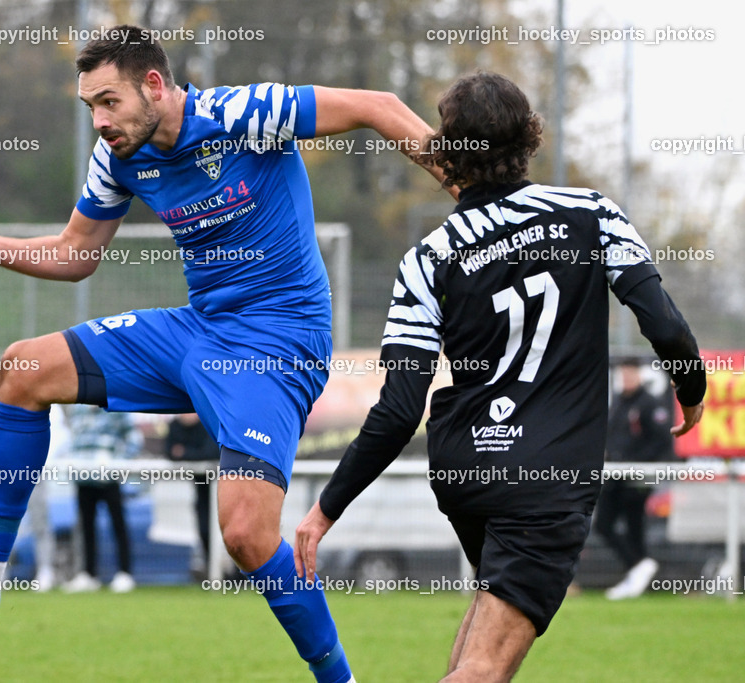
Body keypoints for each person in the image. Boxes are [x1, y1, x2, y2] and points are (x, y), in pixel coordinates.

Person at [0, 24, 449, 682]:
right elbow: (76, 253)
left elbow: (376, 105)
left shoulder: (243, 114)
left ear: (154, 84)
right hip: (199, 330)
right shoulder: (119, 156)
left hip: (278, 337)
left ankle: (339, 679)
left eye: (108, 101)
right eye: (89, 107)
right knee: (23, 368)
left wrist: (465, 188)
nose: (99, 121)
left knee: (243, 534)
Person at [294, 71, 706, 682]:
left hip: (465, 467)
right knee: (484, 670)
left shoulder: (426, 258)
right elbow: (665, 327)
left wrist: (325, 507)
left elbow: (400, 409)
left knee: (484, 648)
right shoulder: (591, 214)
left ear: (445, 149)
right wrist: (691, 387)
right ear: (529, 138)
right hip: (544, 478)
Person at [597, 360, 673, 600]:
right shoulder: (618, 401)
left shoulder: (649, 403)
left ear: (639, 375)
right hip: (615, 474)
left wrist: (636, 462)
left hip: (637, 475)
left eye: (630, 373)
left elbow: (662, 440)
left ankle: (637, 573)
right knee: (604, 524)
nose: (626, 378)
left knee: (634, 526)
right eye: (623, 374)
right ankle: (638, 567)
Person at [64, 404, 142, 593]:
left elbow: (134, 438)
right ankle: (89, 574)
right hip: (83, 477)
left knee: (118, 525)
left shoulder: (116, 407)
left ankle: (125, 573)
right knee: (86, 527)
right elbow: (75, 438)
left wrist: (119, 462)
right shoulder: (78, 409)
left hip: (109, 478)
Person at [164, 413, 221, 572]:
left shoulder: (209, 421)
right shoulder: (176, 425)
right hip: (202, 488)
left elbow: (211, 452)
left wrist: (184, 453)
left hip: (223, 486)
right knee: (204, 528)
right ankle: (212, 568)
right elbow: (169, 451)